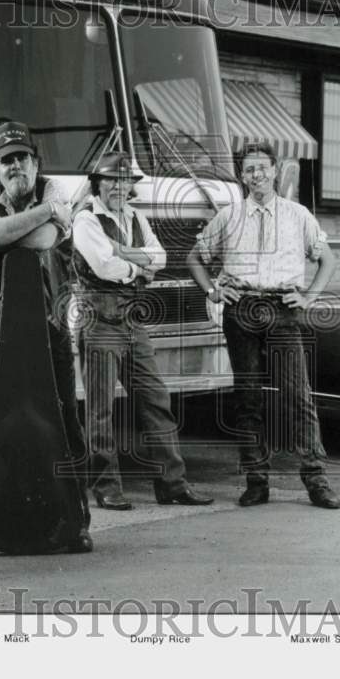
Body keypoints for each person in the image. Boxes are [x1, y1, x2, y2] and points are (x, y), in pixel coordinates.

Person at [187, 141, 340, 510]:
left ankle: (316, 479)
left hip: (283, 308)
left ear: (275, 170)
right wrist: (212, 291)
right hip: (241, 309)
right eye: (249, 169)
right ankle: (257, 481)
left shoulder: (297, 215)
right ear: (242, 176)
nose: (256, 174)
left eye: (262, 167)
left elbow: (328, 260)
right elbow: (194, 257)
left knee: (297, 396)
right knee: (248, 399)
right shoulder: (228, 216)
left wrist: (309, 297)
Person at [0, 119, 92, 554]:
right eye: (7, 162)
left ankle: (74, 520)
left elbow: (41, 241)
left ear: (36, 162)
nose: (16, 167)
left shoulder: (55, 188)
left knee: (63, 418)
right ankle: (7, 512)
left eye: (23, 158)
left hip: (50, 326)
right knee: (1, 418)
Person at [72, 152, 213, 511]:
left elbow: (163, 258)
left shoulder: (136, 216)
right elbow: (104, 266)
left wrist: (124, 252)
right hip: (100, 321)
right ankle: (106, 487)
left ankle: (172, 484)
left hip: (133, 321)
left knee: (156, 401)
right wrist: (139, 267)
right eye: (111, 181)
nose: (119, 187)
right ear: (97, 184)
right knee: (100, 410)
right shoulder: (86, 220)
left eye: (124, 181)